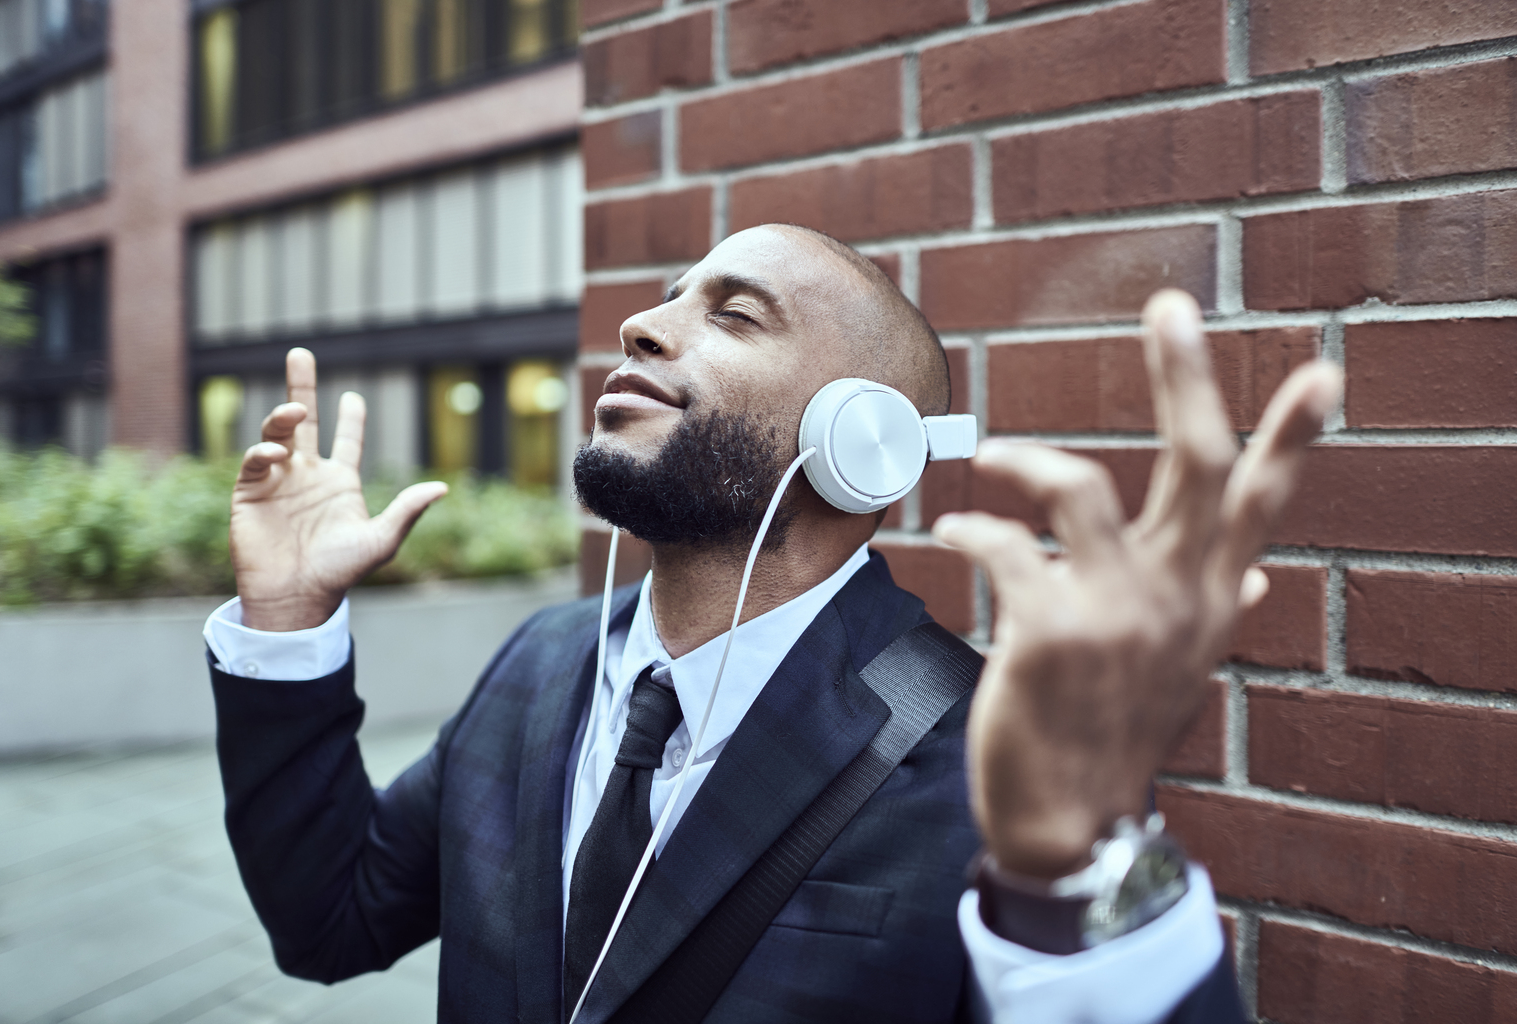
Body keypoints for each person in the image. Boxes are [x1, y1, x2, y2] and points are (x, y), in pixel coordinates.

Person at [204, 223, 1341, 1023]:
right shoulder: (542, 662)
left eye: (733, 315)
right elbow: (330, 925)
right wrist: (286, 621)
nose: (643, 327)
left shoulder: (1007, 759)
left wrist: (1063, 872)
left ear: (864, 445)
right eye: (662, 299)